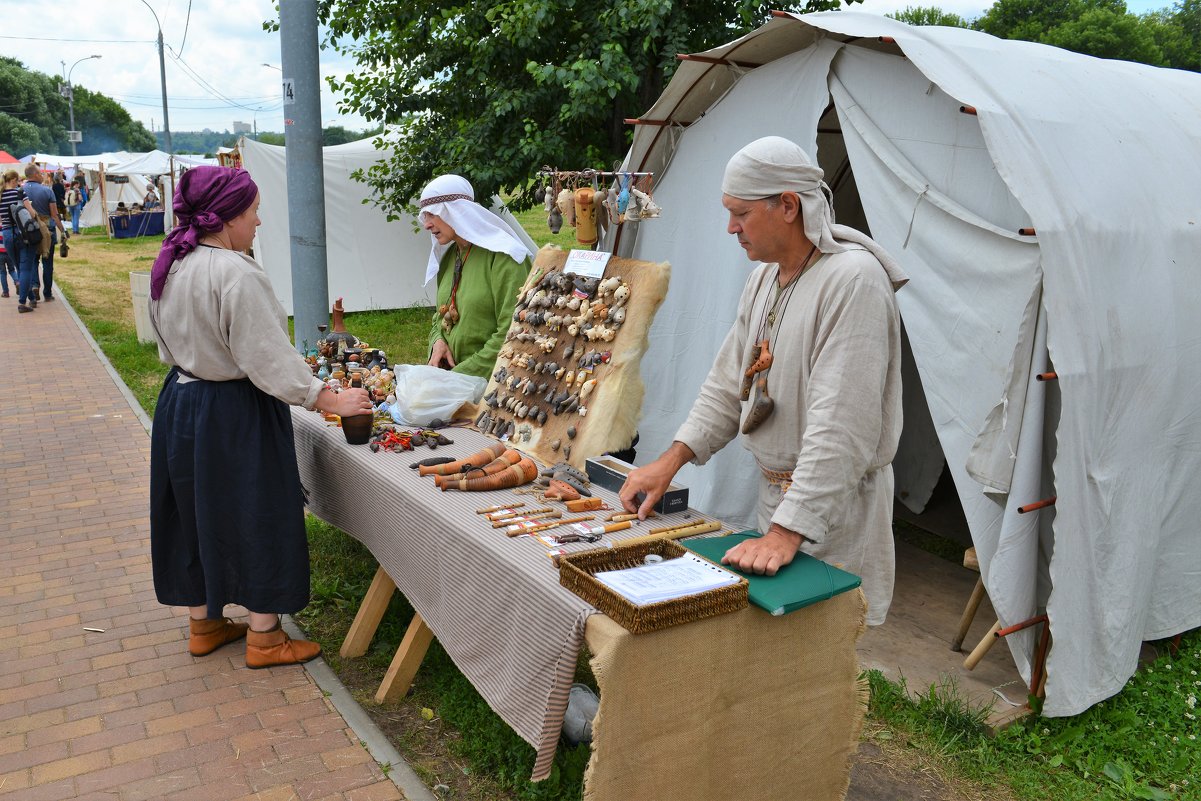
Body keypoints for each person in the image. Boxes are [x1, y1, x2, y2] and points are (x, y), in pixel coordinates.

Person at [618, 136, 907, 626]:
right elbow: (729, 385)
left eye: (742, 214)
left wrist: (788, 532)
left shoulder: (852, 281)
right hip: (777, 502)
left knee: (824, 653)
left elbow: (843, 427)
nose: (731, 228)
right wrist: (669, 463)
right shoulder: (766, 278)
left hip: (833, 512)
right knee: (775, 650)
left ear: (789, 206)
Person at [148, 165, 373, 667]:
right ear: (227, 218)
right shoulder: (234, 272)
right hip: (234, 409)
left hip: (181, 404)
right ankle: (266, 638)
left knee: (193, 509)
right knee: (257, 510)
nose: (258, 223)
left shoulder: (173, 261)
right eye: (253, 213)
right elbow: (266, 358)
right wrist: (329, 399)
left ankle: (204, 623)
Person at [419, 174, 534, 379]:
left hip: (493, 382)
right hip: (451, 378)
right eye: (424, 216)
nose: (426, 224)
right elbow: (439, 316)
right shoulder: (450, 256)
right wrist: (438, 341)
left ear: (456, 211)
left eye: (432, 214)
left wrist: (460, 375)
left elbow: (513, 332)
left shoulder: (505, 258)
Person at [21, 164, 63, 302]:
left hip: (29, 229)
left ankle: (34, 285)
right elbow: (54, 214)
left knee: (33, 260)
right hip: (47, 229)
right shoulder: (47, 191)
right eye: (40, 173)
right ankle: (47, 293)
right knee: (47, 262)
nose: (42, 176)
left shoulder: (20, 190)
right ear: (34, 174)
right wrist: (63, 230)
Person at [1, 169, 31, 301]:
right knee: (25, 268)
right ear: (13, 180)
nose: (18, 183)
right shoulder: (19, 192)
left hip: (7, 233)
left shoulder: (1, 195)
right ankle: (23, 301)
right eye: (17, 180)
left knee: (18, 267)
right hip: (21, 232)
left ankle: (31, 298)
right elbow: (30, 211)